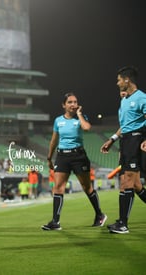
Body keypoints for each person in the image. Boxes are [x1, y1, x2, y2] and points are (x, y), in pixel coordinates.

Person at [42, 92, 107, 231]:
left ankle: (100, 215)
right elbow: (54, 140)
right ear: (63, 105)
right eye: (70, 102)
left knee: (86, 187)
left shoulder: (81, 118)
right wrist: (49, 157)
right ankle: (55, 221)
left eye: (75, 102)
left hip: (78, 156)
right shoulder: (58, 121)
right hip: (62, 156)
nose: (73, 104)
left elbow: (87, 128)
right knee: (58, 187)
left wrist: (79, 114)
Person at [99, 66, 146, 234]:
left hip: (135, 140)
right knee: (136, 185)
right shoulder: (124, 99)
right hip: (126, 141)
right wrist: (112, 139)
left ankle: (123, 224)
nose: (117, 82)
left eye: (119, 79)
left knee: (127, 182)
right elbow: (124, 126)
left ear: (127, 80)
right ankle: (121, 221)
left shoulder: (142, 98)